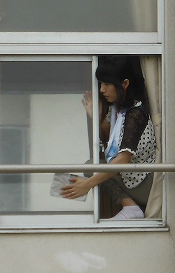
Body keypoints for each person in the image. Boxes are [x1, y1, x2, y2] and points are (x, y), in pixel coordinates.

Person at [61, 55, 156, 220]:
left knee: (92, 168)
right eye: (101, 84)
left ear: (125, 84)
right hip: (129, 178)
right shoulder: (118, 110)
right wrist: (96, 117)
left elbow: (123, 159)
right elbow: (105, 134)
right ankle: (131, 206)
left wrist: (87, 184)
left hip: (143, 183)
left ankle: (131, 208)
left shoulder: (135, 114)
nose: (101, 90)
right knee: (91, 165)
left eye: (107, 84)